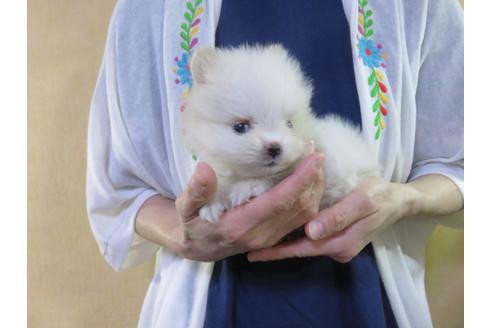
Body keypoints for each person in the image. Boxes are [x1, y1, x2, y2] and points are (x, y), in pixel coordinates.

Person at [86, 0, 463, 327]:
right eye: (241, 126)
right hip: (212, 305)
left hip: (364, 298)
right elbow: (122, 188)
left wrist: (402, 200)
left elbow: (465, 161)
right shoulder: (148, 9)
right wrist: (185, 235)